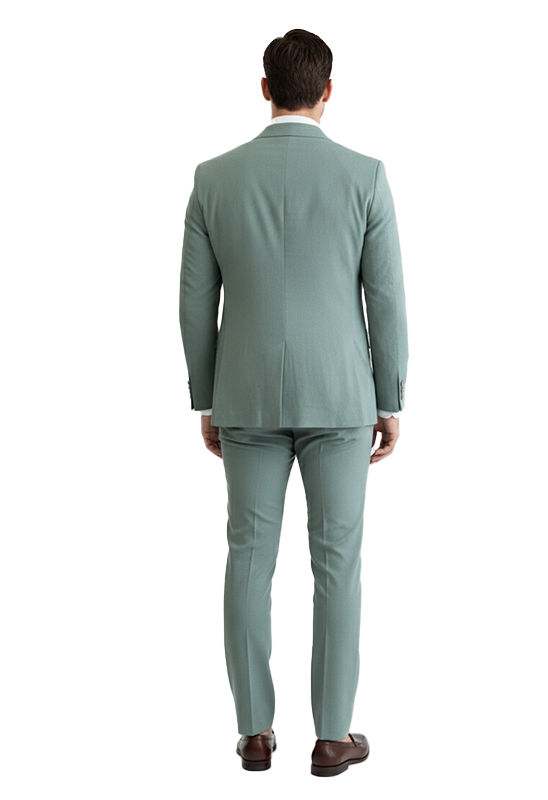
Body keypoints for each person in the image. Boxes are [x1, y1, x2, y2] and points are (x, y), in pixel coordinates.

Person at [179, 28, 408, 777]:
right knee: (337, 564)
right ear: (328, 91)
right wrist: (390, 397)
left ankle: (254, 732)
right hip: (342, 397)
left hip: (244, 396)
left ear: (264, 89)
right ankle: (333, 737)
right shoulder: (364, 177)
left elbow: (194, 302)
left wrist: (206, 397)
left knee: (248, 558)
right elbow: (385, 298)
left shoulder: (213, 179)